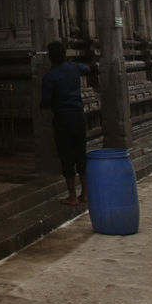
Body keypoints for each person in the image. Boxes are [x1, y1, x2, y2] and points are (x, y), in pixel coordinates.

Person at [41, 40, 92, 207]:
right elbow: (88, 69)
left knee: (66, 156)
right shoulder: (74, 68)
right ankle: (85, 193)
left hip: (63, 118)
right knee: (81, 154)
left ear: (50, 57)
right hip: (78, 115)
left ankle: (72, 196)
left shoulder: (50, 76)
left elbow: (45, 102)